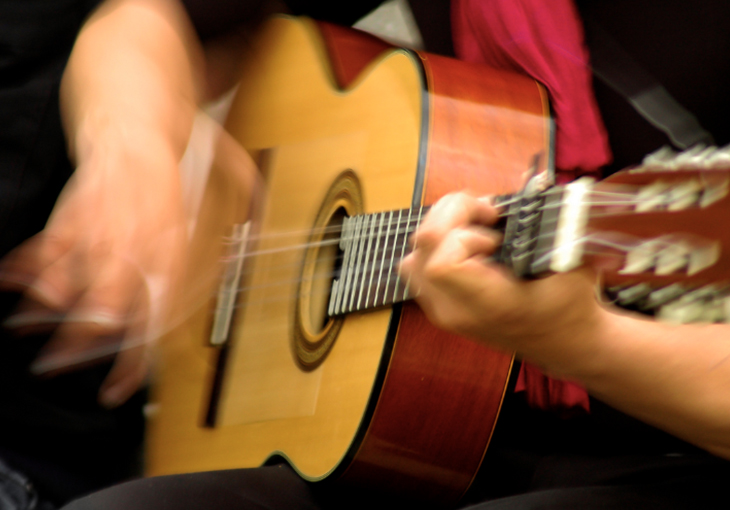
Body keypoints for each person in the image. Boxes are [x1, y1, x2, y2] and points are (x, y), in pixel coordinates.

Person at [10, 0, 729, 508]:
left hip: (672, 448)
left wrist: (585, 342)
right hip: (409, 448)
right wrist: (133, 155)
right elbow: (142, 19)